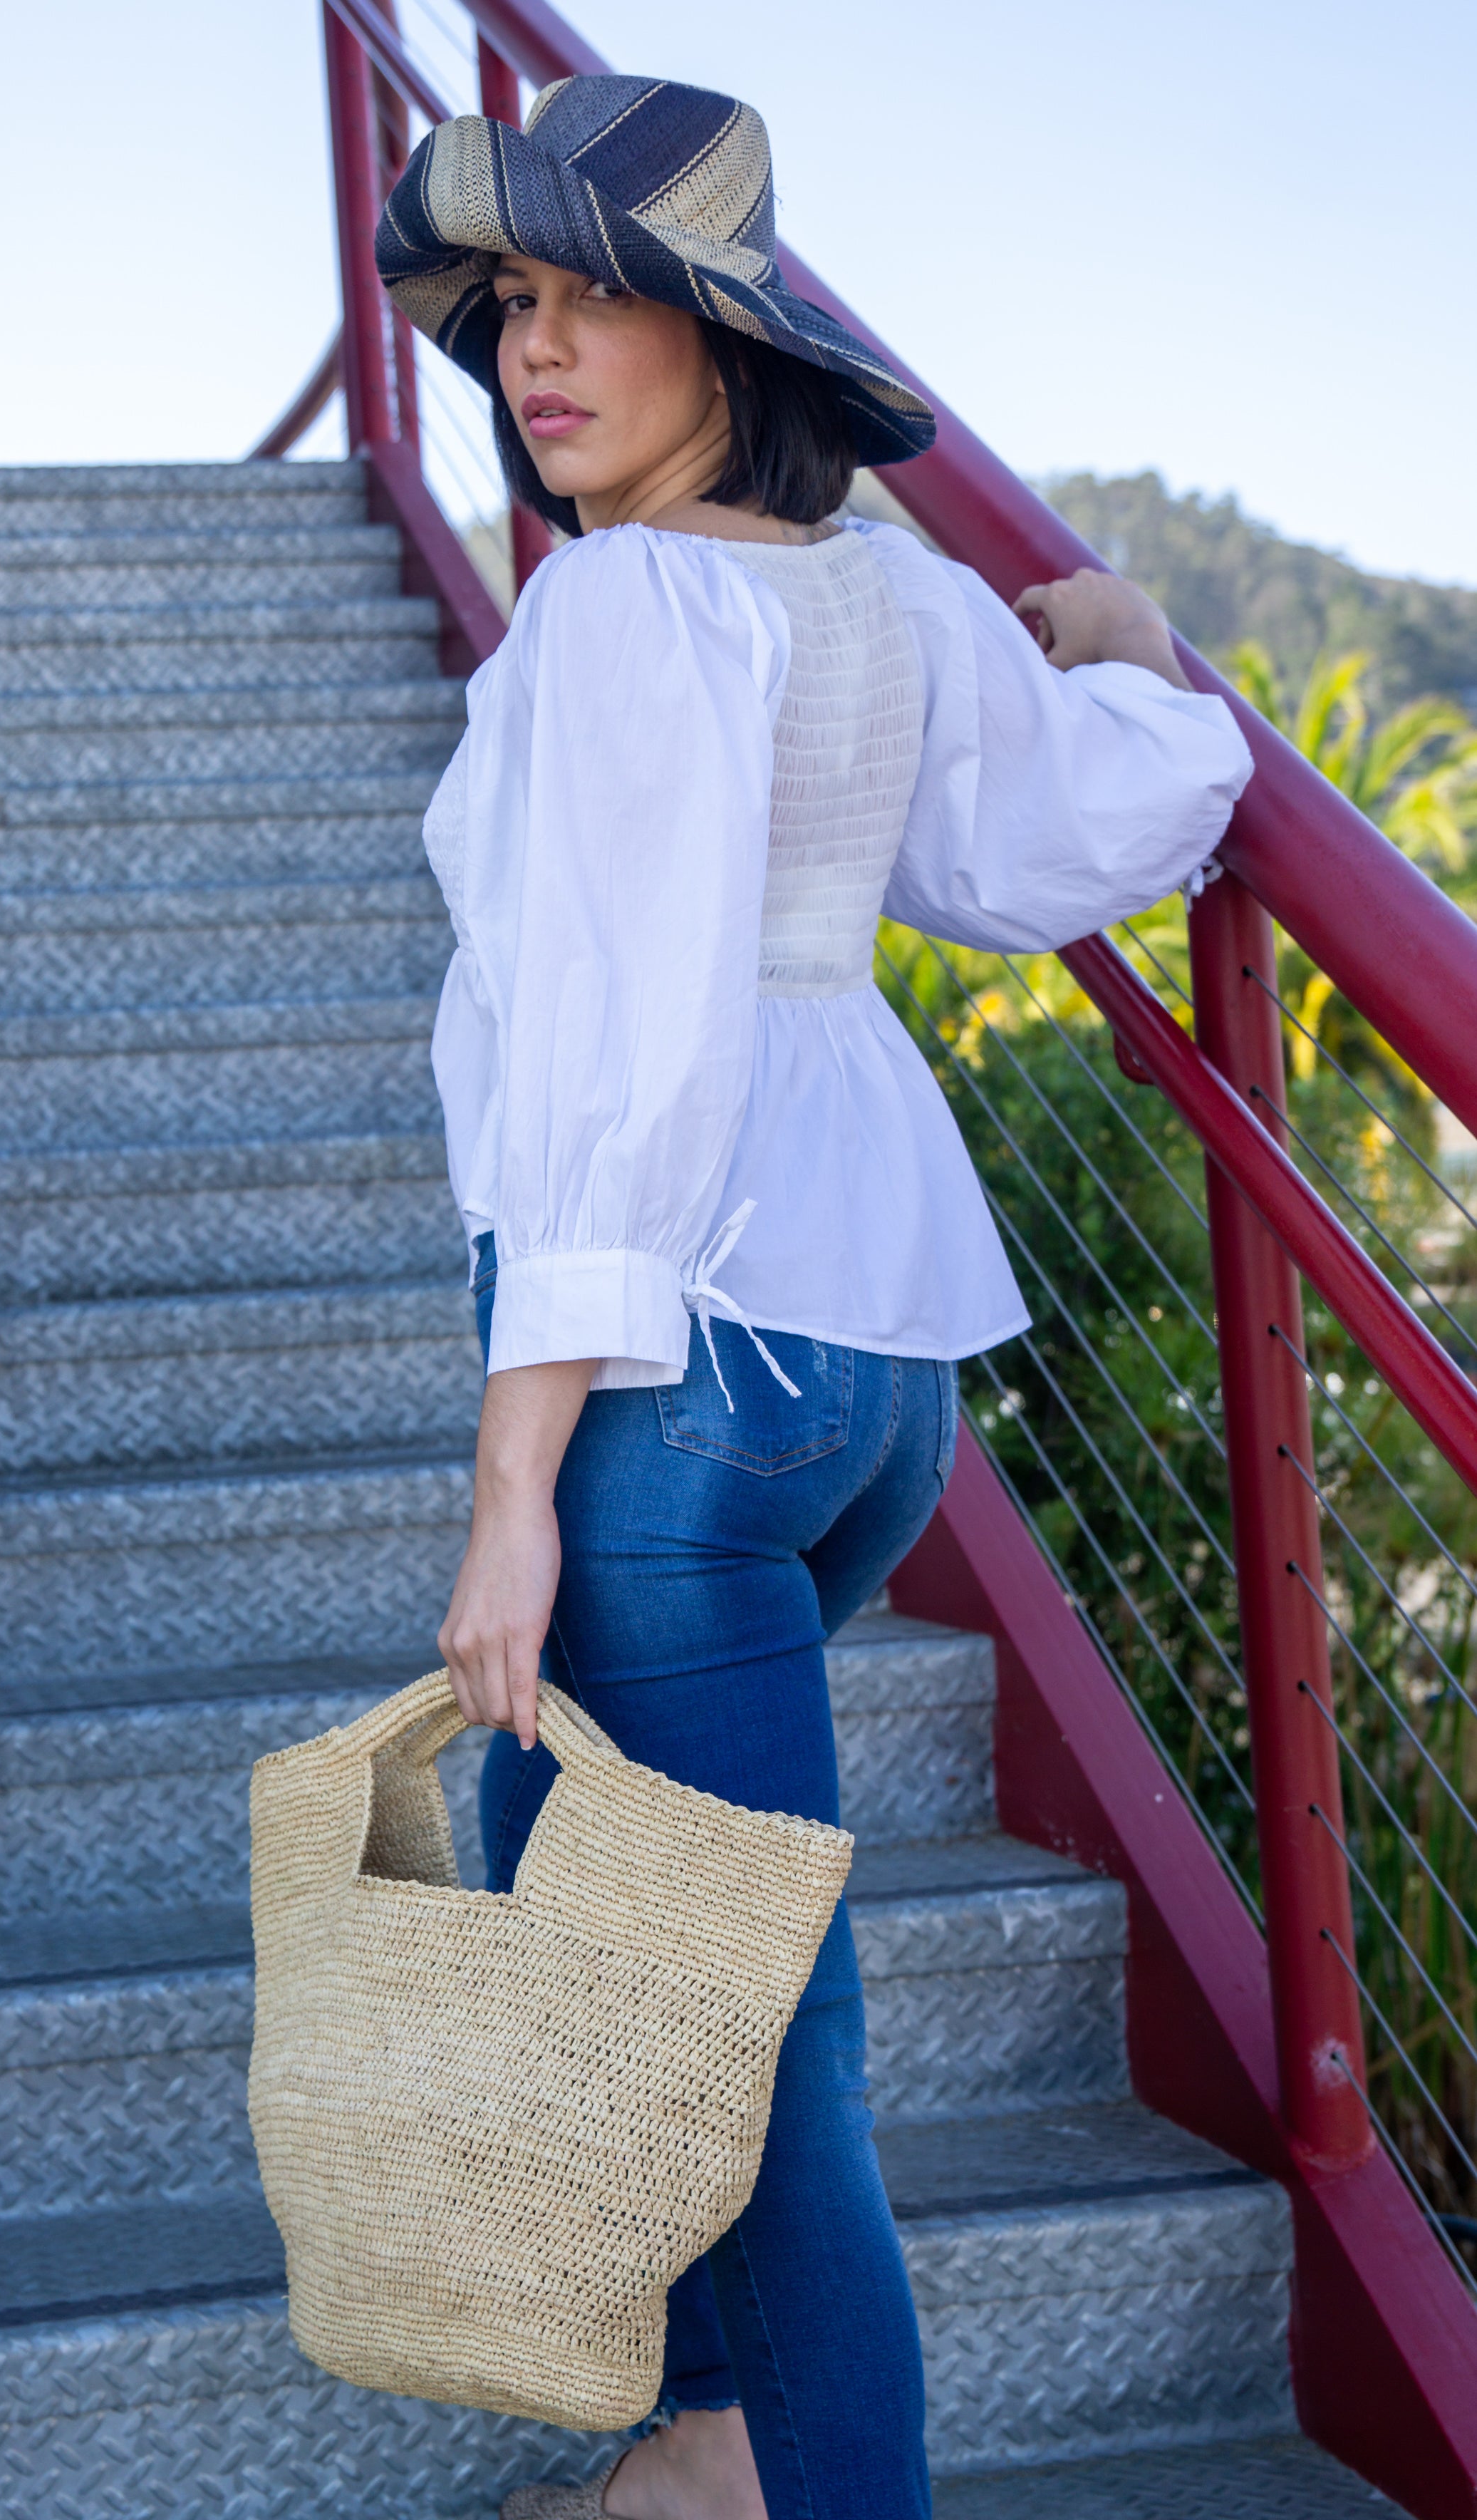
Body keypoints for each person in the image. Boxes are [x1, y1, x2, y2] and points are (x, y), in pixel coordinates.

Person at [374, 73, 1253, 2520]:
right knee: (654, 1962)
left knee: (746, 2028)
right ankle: (709, 2461)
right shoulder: (884, 590)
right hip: (864, 1382)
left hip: (675, 1382)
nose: (535, 356)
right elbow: (1035, 846)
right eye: (507, 310)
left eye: (589, 302)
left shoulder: (633, 605)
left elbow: (614, 1058)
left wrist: (512, 1477)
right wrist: (1140, 654)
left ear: (714, 334)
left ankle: (797, 2483)